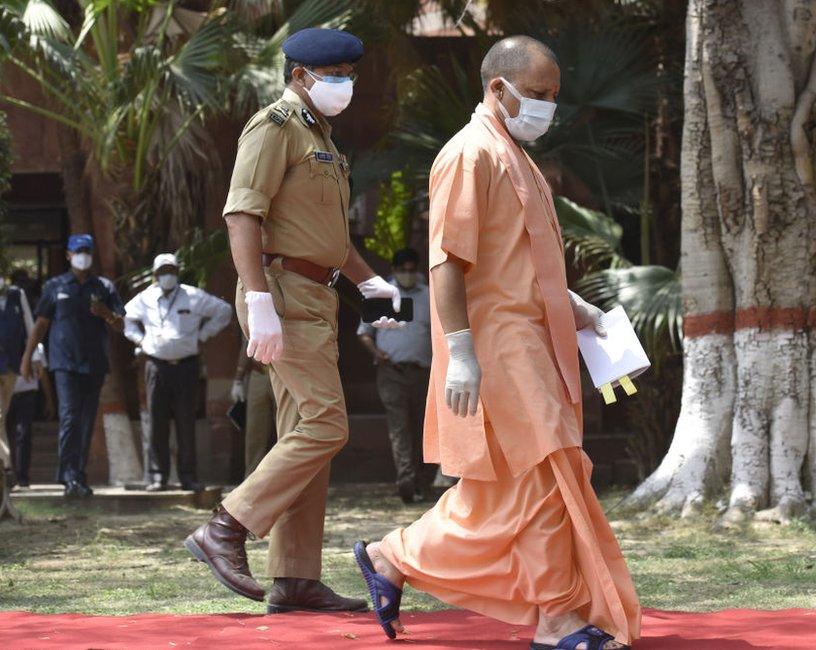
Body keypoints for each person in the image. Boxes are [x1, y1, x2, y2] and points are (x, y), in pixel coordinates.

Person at [352, 36, 641, 649]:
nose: (547, 107)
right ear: (497, 88)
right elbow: (446, 265)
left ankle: (392, 557)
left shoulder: (516, 155)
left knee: (509, 495)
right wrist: (459, 349)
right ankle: (558, 618)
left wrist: (580, 310)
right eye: (537, 95)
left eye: (553, 97)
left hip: (536, 341)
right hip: (500, 347)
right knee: (546, 475)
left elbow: (525, 267)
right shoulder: (470, 154)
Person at [184, 27, 406, 615]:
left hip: (318, 295)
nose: (346, 83)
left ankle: (294, 577)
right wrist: (257, 301)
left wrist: (367, 279)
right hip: (281, 293)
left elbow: (327, 236)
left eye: (349, 74)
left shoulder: (320, 137)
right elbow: (241, 216)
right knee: (328, 425)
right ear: (301, 76)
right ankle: (227, 527)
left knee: (304, 433)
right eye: (335, 74)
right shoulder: (273, 127)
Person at [21, 234, 125, 497]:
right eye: (78, 250)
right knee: (69, 417)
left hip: (95, 365)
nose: (83, 255)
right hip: (64, 364)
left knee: (87, 420)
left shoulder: (103, 286)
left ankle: (79, 475)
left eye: (87, 250)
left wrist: (106, 314)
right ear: (68, 255)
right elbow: (41, 324)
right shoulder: (55, 286)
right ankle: (68, 477)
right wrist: (27, 357)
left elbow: (121, 325)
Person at [124, 253, 232, 492]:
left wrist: (203, 335)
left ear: (177, 271)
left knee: (186, 421)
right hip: (156, 366)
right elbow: (127, 320)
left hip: (186, 366)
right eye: (162, 272)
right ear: (155, 275)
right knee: (156, 422)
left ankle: (188, 477)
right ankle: (158, 476)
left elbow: (224, 311)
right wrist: (140, 340)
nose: (167, 275)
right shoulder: (145, 298)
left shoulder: (193, 296)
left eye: (171, 270)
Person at [357, 247, 433, 503]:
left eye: (412, 270)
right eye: (403, 270)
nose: (408, 275)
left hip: (424, 373)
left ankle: (423, 481)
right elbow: (364, 333)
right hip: (391, 372)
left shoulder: (429, 296)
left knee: (423, 429)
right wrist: (377, 353)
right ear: (394, 271)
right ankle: (406, 480)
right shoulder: (381, 296)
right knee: (399, 428)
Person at [0, 273, 34, 488]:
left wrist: (33, 357)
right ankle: (6, 466)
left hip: (10, 366)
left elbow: (30, 326)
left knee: (2, 416)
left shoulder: (16, 295)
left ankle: (5, 469)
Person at [8, 344, 53, 489]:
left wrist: (49, 400)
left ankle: (22, 477)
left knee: (23, 435)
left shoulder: (36, 347)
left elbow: (43, 374)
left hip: (27, 395)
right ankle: (8, 475)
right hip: (6, 395)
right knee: (7, 437)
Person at [231, 342, 276, 477]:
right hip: (258, 373)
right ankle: (251, 481)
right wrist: (238, 380)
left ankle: (288, 486)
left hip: (283, 374)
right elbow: (247, 342)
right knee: (254, 432)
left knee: (287, 430)